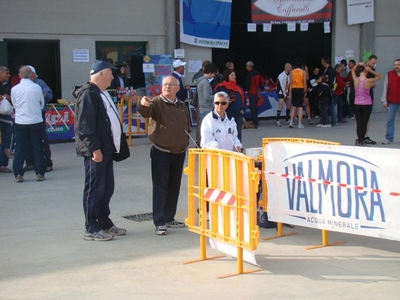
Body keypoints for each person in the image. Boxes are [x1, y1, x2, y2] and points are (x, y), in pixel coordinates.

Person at [73, 60, 126, 241]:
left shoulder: (101, 93)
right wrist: (95, 149)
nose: (113, 77)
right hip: (96, 151)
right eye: (111, 74)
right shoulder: (88, 94)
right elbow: (85, 126)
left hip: (107, 149)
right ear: (101, 73)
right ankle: (91, 226)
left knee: (106, 188)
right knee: (94, 189)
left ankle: (104, 221)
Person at [137, 76, 190, 236]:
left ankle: (169, 217)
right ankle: (159, 222)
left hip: (179, 152)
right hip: (161, 151)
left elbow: (187, 124)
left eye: (170, 85)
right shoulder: (156, 103)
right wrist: (142, 103)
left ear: (177, 88)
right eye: (165, 84)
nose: (167, 87)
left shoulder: (181, 105)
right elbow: (145, 112)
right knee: (161, 187)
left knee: (174, 187)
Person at [11, 66, 45, 182]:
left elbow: (14, 105)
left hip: (20, 121)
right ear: (31, 75)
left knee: (20, 147)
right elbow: (42, 104)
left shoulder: (15, 89)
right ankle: (40, 172)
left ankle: (18, 174)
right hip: (35, 120)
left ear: (19, 75)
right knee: (38, 147)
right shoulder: (37, 87)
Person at [24, 66, 54, 172]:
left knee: (41, 138)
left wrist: (43, 95)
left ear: (33, 74)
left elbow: (49, 94)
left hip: (39, 114)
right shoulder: (23, 84)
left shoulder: (39, 83)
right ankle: (30, 162)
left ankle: (47, 163)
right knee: (27, 139)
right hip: (25, 115)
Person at [351, 62, 381, 146]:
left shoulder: (355, 79)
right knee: (364, 122)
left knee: (359, 122)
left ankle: (358, 140)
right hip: (367, 103)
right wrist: (371, 70)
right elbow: (379, 76)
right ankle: (361, 140)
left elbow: (352, 70)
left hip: (357, 103)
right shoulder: (368, 80)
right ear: (366, 71)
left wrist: (357, 64)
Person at [214, 69, 245, 142]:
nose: (234, 77)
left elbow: (242, 98)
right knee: (226, 133)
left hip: (238, 114)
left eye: (235, 75)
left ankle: (238, 149)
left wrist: (242, 109)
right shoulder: (221, 87)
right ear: (227, 76)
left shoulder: (238, 87)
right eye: (232, 75)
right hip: (226, 114)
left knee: (238, 133)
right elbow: (216, 99)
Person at [194, 63, 217, 145]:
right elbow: (207, 96)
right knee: (205, 128)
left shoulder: (200, 81)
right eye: (214, 73)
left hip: (201, 107)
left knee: (201, 127)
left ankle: (199, 143)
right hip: (205, 108)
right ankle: (202, 144)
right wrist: (217, 96)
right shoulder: (205, 82)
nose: (214, 76)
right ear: (210, 72)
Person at [381, 59, 400, 145]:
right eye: (395, 65)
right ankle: (389, 138)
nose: (396, 66)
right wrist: (384, 101)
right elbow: (386, 87)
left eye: (398, 65)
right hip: (391, 102)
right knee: (390, 121)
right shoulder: (389, 74)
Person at [0, 66, 13, 173]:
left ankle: (3, 164)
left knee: (5, 139)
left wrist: (9, 97)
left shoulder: (8, 85)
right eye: (6, 73)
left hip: (4, 115)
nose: (8, 75)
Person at [363, 54, 379, 145]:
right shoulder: (362, 69)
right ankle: (361, 137)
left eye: (375, 63)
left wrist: (372, 84)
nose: (373, 65)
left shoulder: (373, 70)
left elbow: (374, 80)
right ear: (368, 61)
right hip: (362, 95)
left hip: (369, 94)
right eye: (372, 63)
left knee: (367, 117)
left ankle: (366, 135)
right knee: (362, 117)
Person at [245, 61, 265, 129]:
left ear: (249, 66)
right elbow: (263, 81)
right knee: (255, 107)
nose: (246, 67)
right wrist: (261, 88)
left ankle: (255, 121)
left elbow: (248, 85)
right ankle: (256, 120)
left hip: (251, 92)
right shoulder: (257, 73)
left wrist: (247, 89)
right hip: (257, 92)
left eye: (247, 66)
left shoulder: (249, 75)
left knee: (253, 107)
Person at [289, 58, 307, 129]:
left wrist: (290, 93)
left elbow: (290, 83)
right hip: (300, 89)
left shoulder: (291, 72)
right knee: (300, 107)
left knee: (294, 106)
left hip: (293, 89)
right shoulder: (303, 72)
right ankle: (299, 123)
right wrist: (305, 91)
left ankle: (291, 122)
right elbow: (304, 82)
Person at [321, 56, 336, 125]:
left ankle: (334, 120)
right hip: (327, 89)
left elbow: (331, 81)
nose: (322, 63)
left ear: (325, 62)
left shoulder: (331, 70)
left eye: (322, 62)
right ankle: (326, 120)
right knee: (329, 105)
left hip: (329, 89)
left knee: (331, 105)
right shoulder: (326, 70)